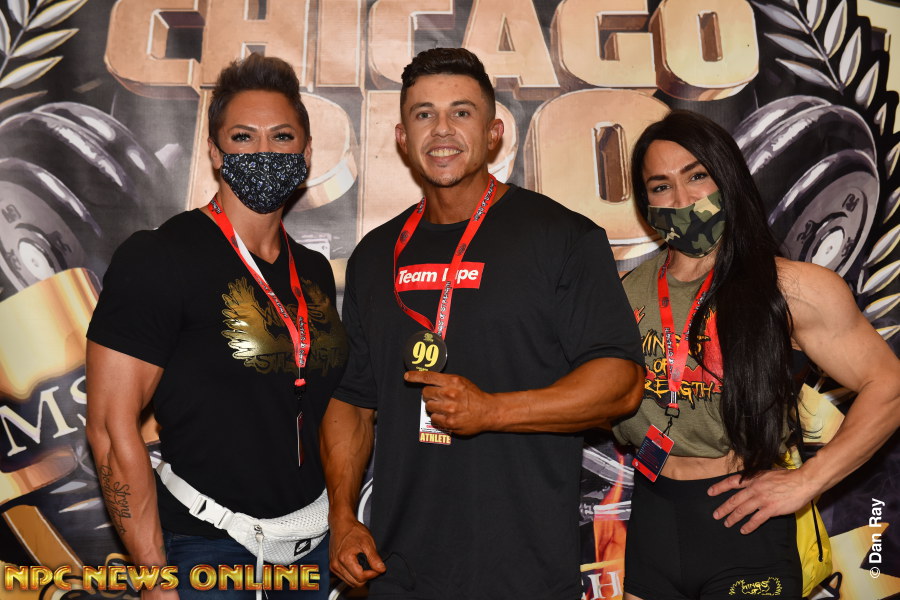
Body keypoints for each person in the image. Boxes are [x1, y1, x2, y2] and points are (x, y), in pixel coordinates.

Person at [320, 47, 644, 600]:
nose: (442, 129)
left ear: (494, 133)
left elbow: (622, 384)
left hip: (523, 575)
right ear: (402, 137)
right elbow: (352, 401)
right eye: (423, 114)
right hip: (399, 573)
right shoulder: (375, 255)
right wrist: (344, 516)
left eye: (461, 112)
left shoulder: (562, 238)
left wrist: (492, 411)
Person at [86, 53, 347, 599]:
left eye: (281, 137)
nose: (263, 152)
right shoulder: (160, 257)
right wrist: (155, 579)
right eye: (243, 137)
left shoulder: (313, 271)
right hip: (209, 553)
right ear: (213, 151)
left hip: (311, 551)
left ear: (305, 153)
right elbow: (110, 429)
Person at [612, 110, 900, 600]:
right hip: (653, 521)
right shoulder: (624, 294)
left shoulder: (789, 287)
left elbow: (888, 385)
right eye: (661, 186)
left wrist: (808, 480)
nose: (681, 200)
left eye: (696, 176)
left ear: (727, 178)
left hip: (745, 526)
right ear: (645, 202)